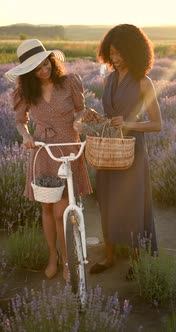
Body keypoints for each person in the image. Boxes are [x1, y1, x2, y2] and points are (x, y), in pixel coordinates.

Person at [5, 39, 100, 281]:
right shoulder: (25, 91)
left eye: (47, 64)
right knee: (47, 207)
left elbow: (80, 109)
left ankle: (68, 261)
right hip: (43, 150)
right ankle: (52, 257)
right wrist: (26, 135)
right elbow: (20, 120)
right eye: (37, 68)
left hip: (67, 146)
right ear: (28, 72)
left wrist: (82, 118)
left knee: (61, 212)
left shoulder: (69, 82)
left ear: (52, 62)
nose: (44, 70)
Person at [89, 24, 162, 274]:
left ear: (133, 52)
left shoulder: (144, 82)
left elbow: (157, 124)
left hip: (132, 152)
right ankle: (109, 257)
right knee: (106, 202)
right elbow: (110, 117)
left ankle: (134, 260)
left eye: (120, 53)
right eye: (112, 53)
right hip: (108, 150)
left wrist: (129, 123)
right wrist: (95, 118)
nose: (116, 59)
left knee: (131, 205)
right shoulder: (109, 79)